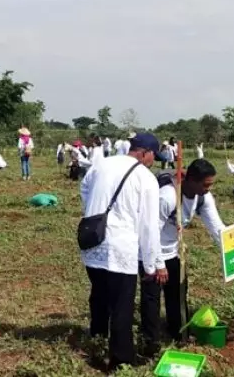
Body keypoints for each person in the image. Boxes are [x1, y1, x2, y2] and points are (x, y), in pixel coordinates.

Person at [80, 132, 163, 370]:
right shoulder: (146, 178)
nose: (153, 162)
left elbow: (84, 188)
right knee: (121, 305)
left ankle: (97, 341)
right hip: (120, 248)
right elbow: (149, 226)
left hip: (93, 241)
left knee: (99, 296)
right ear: (144, 152)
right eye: (152, 157)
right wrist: (151, 265)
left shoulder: (102, 164)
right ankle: (121, 359)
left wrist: (93, 211)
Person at [140, 159, 225, 354]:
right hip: (151, 251)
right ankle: (150, 342)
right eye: (206, 184)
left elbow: (217, 227)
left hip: (175, 251)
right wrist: (158, 264)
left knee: (178, 293)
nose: (208, 188)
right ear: (192, 180)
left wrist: (231, 251)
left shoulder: (203, 197)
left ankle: (178, 333)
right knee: (151, 296)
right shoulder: (167, 197)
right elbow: (151, 231)